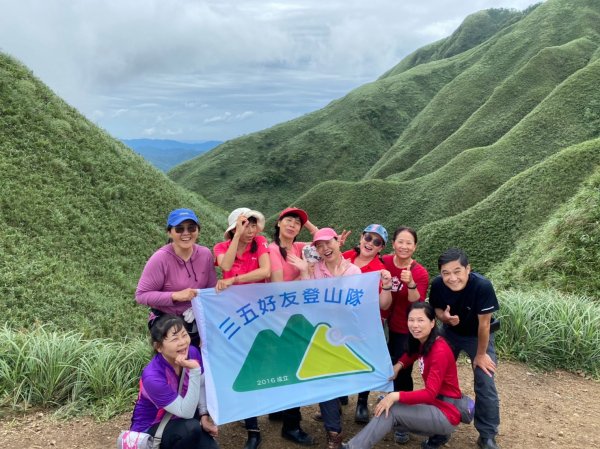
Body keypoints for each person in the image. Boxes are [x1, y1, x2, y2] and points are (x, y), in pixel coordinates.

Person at [290, 227, 387, 449]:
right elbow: (309, 301)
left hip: (346, 334)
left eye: (328, 243)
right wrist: (305, 272)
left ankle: (338, 406)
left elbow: (352, 305)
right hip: (321, 333)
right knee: (325, 379)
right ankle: (334, 432)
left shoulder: (353, 271)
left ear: (337, 242)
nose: (325, 248)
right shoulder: (315, 270)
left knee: (339, 378)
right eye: (319, 246)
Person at [341, 302, 464, 449]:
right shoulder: (425, 341)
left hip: (445, 412)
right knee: (387, 404)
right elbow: (411, 354)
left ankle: (352, 447)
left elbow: (430, 393)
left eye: (420, 320)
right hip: (437, 405)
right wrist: (398, 366)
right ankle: (438, 434)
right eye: (411, 320)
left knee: (390, 410)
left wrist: (394, 396)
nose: (415, 325)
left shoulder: (439, 351)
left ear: (432, 323)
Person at [428, 248, 501, 449]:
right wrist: (444, 318)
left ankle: (487, 434)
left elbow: (484, 325)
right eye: (446, 273)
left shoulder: (482, 286)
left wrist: (480, 355)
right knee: (438, 378)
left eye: (457, 271)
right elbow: (436, 309)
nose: (452, 278)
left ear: (468, 269)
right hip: (450, 333)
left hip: (477, 337)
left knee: (485, 381)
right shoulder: (437, 285)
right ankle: (440, 430)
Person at [213, 207, 270, 449]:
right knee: (236, 366)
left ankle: (253, 427)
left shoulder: (261, 242)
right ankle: (242, 414)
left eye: (253, 224)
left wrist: (235, 280)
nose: (251, 229)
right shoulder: (221, 247)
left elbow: (265, 271)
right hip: (233, 318)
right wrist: (236, 235)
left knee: (253, 367)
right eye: (245, 224)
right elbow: (224, 264)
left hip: (258, 315)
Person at [128, 314, 219, 449]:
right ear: (159, 347)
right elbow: (186, 412)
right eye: (175, 339)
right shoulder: (153, 376)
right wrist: (194, 371)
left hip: (181, 419)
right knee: (191, 428)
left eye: (184, 334)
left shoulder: (192, 352)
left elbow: (200, 384)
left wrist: (204, 415)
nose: (183, 342)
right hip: (152, 427)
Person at [268, 207, 318, 445]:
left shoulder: (299, 248)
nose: (292, 225)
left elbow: (322, 241)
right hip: (281, 317)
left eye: (297, 223)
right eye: (288, 220)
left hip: (296, 316)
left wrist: (308, 225)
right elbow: (278, 287)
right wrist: (303, 273)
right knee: (292, 367)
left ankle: (278, 410)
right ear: (278, 223)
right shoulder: (272, 249)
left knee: (284, 365)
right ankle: (291, 425)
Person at [136, 208, 217, 348]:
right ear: (170, 232)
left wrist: (199, 307)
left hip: (196, 314)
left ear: (198, 230)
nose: (186, 233)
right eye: (179, 229)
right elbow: (141, 295)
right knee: (177, 357)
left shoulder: (205, 254)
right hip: (166, 318)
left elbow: (210, 289)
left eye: (191, 228)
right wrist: (175, 296)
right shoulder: (160, 259)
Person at [381, 226, 429, 444]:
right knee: (381, 367)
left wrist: (409, 282)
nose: (404, 246)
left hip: (404, 328)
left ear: (415, 246)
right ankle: (379, 405)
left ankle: (402, 422)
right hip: (379, 325)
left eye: (409, 243)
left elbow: (416, 302)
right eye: (400, 241)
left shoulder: (420, 272)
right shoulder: (385, 262)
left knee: (402, 372)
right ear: (393, 243)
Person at [341, 224, 393, 424]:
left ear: (381, 248)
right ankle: (339, 397)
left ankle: (362, 401)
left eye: (377, 242)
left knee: (363, 360)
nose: (370, 243)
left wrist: (387, 285)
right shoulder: (345, 256)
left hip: (365, 323)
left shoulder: (380, 270)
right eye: (368, 238)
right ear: (361, 238)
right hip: (339, 319)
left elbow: (384, 304)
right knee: (340, 357)